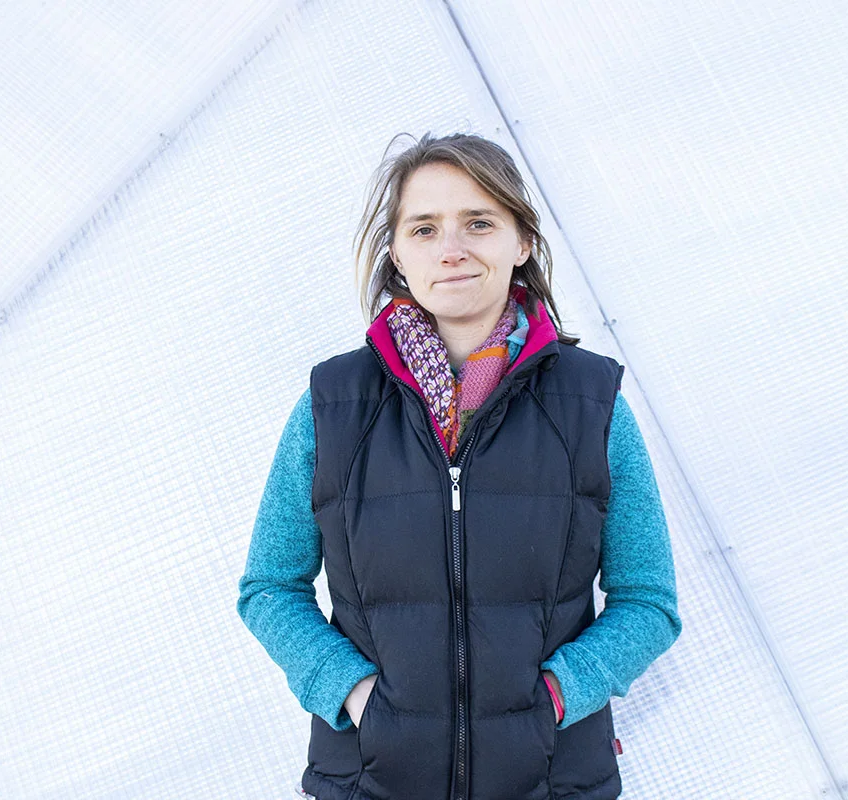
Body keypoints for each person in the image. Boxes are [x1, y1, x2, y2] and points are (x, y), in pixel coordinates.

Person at [237, 132, 682, 800]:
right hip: (369, 781)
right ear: (396, 253)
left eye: (479, 222)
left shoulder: (593, 405)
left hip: (552, 781)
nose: (452, 248)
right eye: (424, 228)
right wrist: (354, 694)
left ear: (521, 241)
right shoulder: (332, 407)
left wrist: (558, 697)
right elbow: (270, 587)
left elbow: (648, 601)